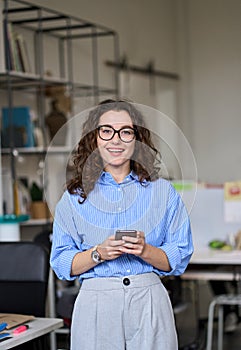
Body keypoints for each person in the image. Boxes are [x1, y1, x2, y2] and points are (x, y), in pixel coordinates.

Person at [50, 99, 194, 350]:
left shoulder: (163, 192)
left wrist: (145, 250)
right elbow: (62, 262)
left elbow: (179, 254)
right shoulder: (73, 198)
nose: (115, 140)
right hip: (95, 304)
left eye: (126, 131)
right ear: (94, 138)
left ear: (137, 140)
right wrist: (98, 253)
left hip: (149, 301)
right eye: (106, 131)